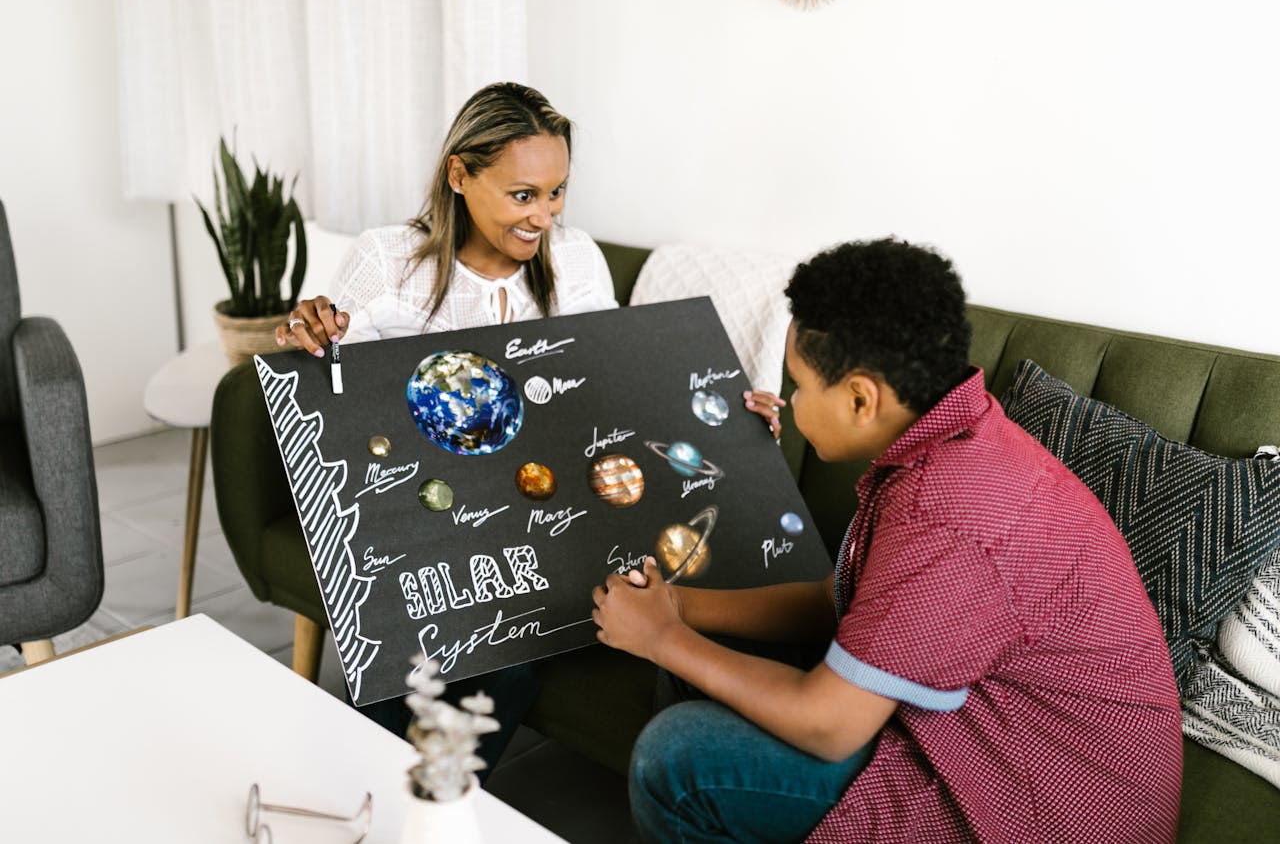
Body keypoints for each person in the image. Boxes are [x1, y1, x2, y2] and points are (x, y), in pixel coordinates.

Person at [592, 238, 1184, 842]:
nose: (791, 402)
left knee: (677, 757)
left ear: (859, 398)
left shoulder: (947, 517)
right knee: (702, 655)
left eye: (797, 385)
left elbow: (829, 723)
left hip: (1040, 805)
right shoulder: (954, 436)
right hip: (993, 733)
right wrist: (680, 608)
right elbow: (838, 602)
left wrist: (660, 637)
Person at [276, 81, 782, 776]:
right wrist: (315, 334)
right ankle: (377, 789)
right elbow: (336, 392)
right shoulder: (389, 258)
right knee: (411, 648)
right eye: (523, 195)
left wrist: (727, 421)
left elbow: (619, 391)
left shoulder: (574, 262)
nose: (544, 215)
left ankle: (423, 797)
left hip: (543, 526)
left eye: (557, 192)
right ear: (460, 174)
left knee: (504, 653)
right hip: (425, 526)